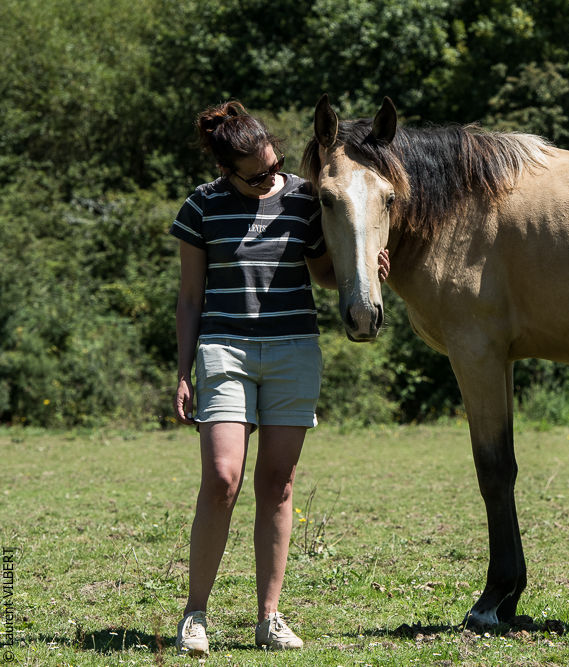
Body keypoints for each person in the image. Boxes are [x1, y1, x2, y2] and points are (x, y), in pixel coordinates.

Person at [170, 101, 389, 655]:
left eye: (276, 163)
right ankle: (195, 615)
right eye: (259, 173)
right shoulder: (201, 207)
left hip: (293, 350)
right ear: (228, 171)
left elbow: (320, 270)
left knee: (279, 485)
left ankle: (269, 617)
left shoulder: (300, 197)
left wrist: (363, 271)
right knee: (222, 478)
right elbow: (190, 297)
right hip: (225, 351)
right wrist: (182, 371)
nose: (273, 177)